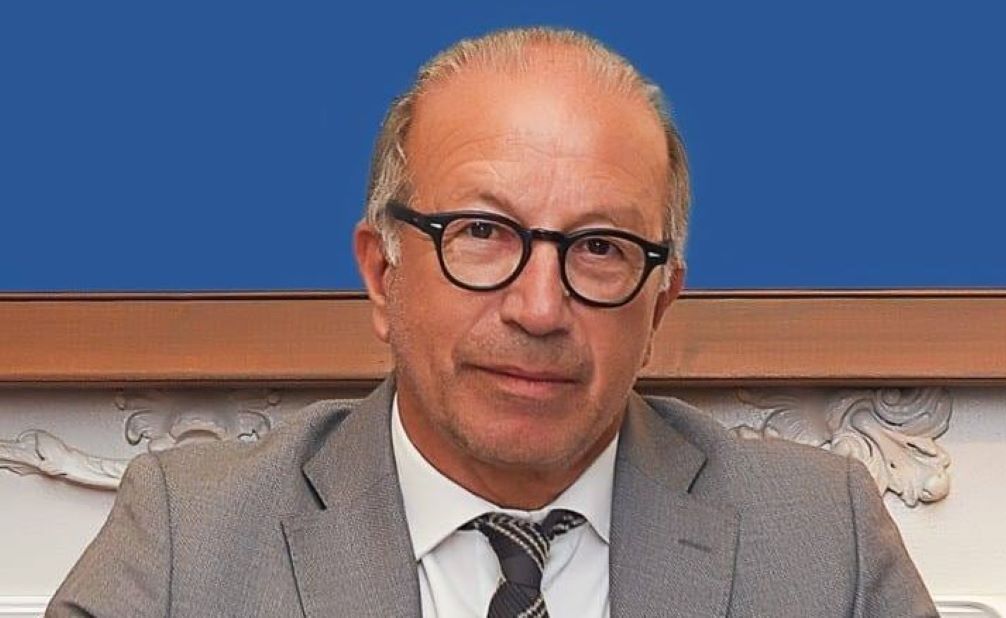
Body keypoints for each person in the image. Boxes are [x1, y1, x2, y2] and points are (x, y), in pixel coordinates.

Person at [47, 27, 937, 617]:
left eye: (600, 247)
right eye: (481, 232)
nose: (539, 308)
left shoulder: (823, 539)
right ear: (381, 273)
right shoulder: (188, 540)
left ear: (660, 303)